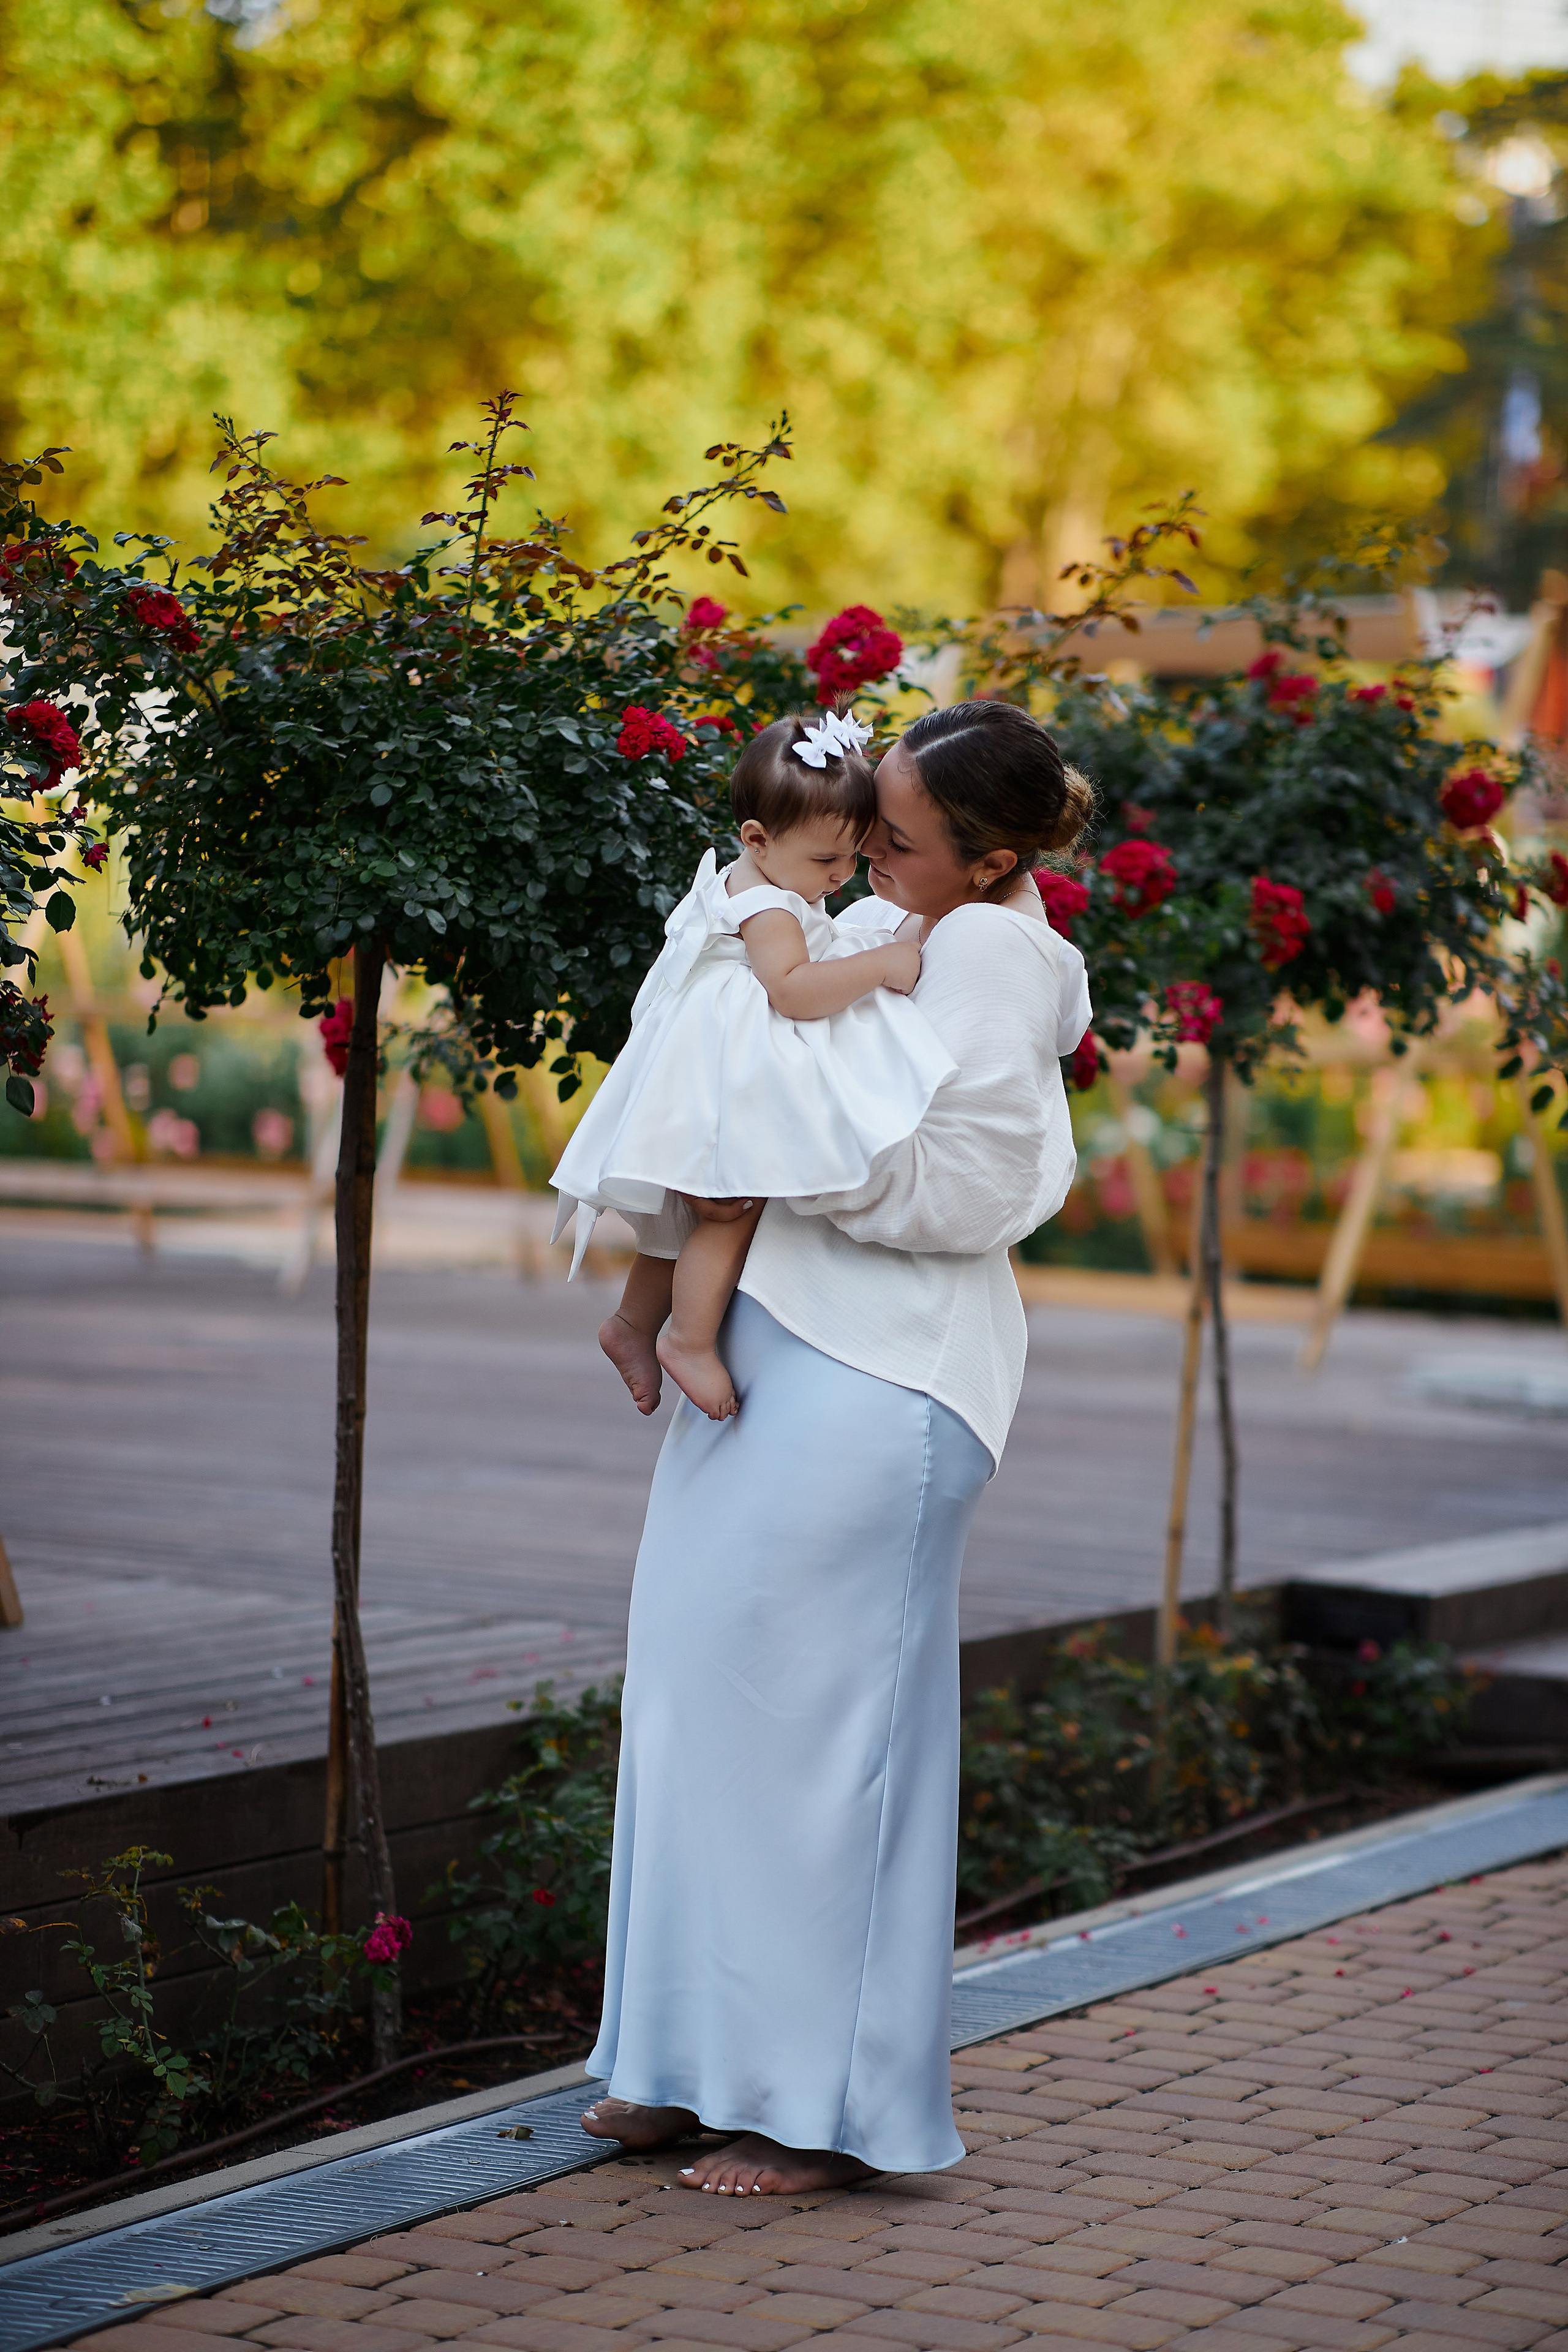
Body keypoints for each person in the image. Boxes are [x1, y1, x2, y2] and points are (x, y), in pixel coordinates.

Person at [578, 698, 1094, 2197]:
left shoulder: (990, 951)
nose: (869, 841)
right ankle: (682, 2063)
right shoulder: (869, 915)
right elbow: (759, 1084)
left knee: (817, 1742)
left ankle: (811, 2108)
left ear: (988, 858)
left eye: (900, 831)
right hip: (774, 1350)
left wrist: (773, 1161)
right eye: (867, 812)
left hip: (883, 1376)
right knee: (698, 1697)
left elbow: (973, 1182)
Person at [551, 709, 954, 1419]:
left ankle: (630, 1325)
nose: (839, 878)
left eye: (849, 859)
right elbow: (795, 992)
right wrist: (881, 964)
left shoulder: (754, 875)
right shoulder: (769, 905)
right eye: (825, 862)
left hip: (701, 1069)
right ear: (758, 839)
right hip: (721, 1077)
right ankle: (690, 1339)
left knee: (683, 1213)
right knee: (731, 1208)